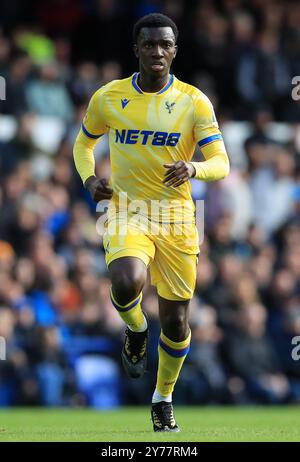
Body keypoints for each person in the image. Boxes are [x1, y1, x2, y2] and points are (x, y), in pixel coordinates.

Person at [73, 13, 230, 432]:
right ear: (136, 49)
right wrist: (89, 180)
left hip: (177, 218)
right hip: (127, 210)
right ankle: (137, 329)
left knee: (177, 323)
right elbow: (83, 144)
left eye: (165, 44)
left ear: (175, 51)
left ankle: (163, 398)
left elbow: (221, 162)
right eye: (149, 44)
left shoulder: (194, 101)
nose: (157, 51)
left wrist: (194, 169)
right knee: (126, 281)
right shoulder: (108, 97)